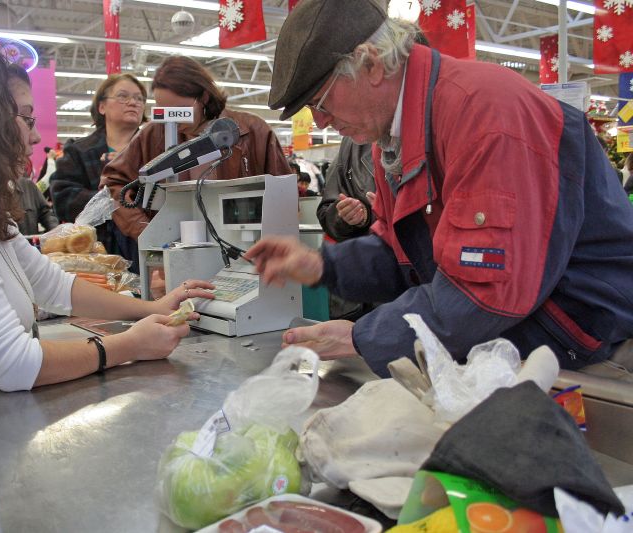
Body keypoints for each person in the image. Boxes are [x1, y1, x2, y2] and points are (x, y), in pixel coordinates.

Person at [245, 0, 633, 377]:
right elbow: (404, 253)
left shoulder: (485, 112)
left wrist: (362, 337)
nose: (321, 122)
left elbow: (486, 290)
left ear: (371, 64)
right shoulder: (392, 140)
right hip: (513, 334)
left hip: (583, 342)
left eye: (321, 102)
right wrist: (321, 265)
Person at [0, 39, 214, 392]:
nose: (33, 137)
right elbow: (12, 363)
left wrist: (149, 308)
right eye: (26, 119)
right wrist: (130, 345)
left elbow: (53, 284)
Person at [101, 55, 291, 262]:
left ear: (204, 98)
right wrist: (148, 232)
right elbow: (113, 183)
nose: (172, 119)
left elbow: (285, 196)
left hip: (245, 252)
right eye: (164, 110)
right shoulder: (154, 134)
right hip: (177, 256)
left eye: (180, 110)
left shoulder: (253, 132)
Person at [50, 73, 147, 223]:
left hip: (147, 239)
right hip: (95, 243)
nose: (133, 102)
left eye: (139, 98)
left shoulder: (155, 151)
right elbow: (63, 201)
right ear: (102, 107)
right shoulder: (78, 151)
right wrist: (112, 199)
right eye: (123, 96)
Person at [316, 136, 375, 241]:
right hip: (372, 250)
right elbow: (327, 214)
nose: (321, 124)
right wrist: (351, 214)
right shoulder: (351, 144)